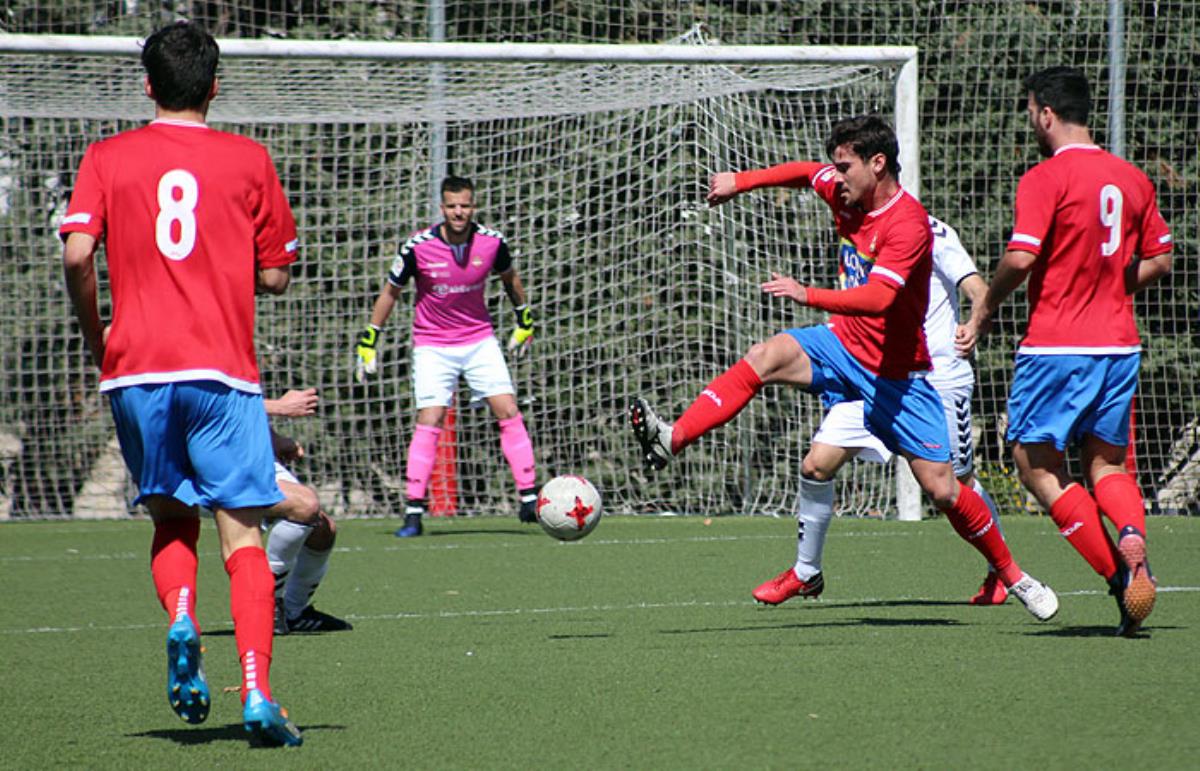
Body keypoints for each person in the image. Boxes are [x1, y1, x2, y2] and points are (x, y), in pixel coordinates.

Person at [630, 115, 1058, 621]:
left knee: (944, 490)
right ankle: (672, 439)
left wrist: (805, 293)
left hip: (898, 377)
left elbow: (879, 298)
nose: (835, 177)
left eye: (845, 167)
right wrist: (738, 183)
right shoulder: (841, 191)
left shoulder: (909, 225)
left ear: (878, 164)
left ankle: (1014, 577)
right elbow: (801, 171)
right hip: (843, 347)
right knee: (766, 363)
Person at [61, 22, 303, 746]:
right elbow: (275, 273)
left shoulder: (106, 156)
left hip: (136, 369)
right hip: (222, 371)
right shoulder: (249, 159)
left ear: (146, 84)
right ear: (215, 86)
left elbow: (77, 254)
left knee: (173, 520)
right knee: (245, 534)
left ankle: (179, 615)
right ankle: (257, 688)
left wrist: (99, 338)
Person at [711, 165, 1009, 605]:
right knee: (816, 465)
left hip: (935, 379)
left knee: (956, 485)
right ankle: (806, 572)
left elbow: (977, 287)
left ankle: (1000, 572)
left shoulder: (931, 232)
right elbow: (811, 175)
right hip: (872, 373)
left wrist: (975, 323)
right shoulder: (862, 225)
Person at [963, 67, 1173, 636]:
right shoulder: (1131, 179)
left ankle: (1120, 579)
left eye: (1031, 110)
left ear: (1046, 114)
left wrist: (985, 308)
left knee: (1036, 467)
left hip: (1057, 346)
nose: (1031, 119)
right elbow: (1160, 261)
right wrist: (1105, 282)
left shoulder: (1043, 179)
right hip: (1119, 344)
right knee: (1107, 462)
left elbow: (1022, 257)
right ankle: (1132, 537)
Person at [354, 175, 539, 537]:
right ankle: (412, 512)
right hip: (433, 345)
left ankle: (530, 500)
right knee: (431, 416)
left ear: (474, 206)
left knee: (507, 408)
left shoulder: (493, 242)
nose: (459, 212)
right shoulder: (417, 247)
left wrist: (524, 318)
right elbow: (390, 293)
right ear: (442, 208)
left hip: (479, 340)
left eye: (465, 205)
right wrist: (369, 338)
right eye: (452, 206)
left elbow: (509, 279)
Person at [263, 388, 353, 634]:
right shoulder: (194, 355)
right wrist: (278, 407)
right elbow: (210, 405)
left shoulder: (236, 354)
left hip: (252, 457)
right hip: (211, 460)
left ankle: (293, 613)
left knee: (323, 530)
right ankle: (266, 608)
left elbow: (241, 399)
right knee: (304, 504)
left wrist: (272, 439)